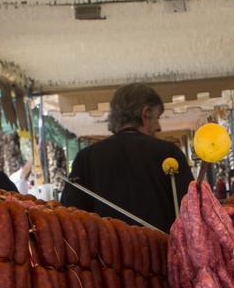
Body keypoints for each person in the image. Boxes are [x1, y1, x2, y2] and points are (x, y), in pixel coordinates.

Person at [59, 83, 194, 231]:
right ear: (146, 113)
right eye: (157, 117)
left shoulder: (85, 158)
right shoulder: (169, 153)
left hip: (106, 253)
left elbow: (69, 217)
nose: (159, 127)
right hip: (163, 251)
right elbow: (191, 212)